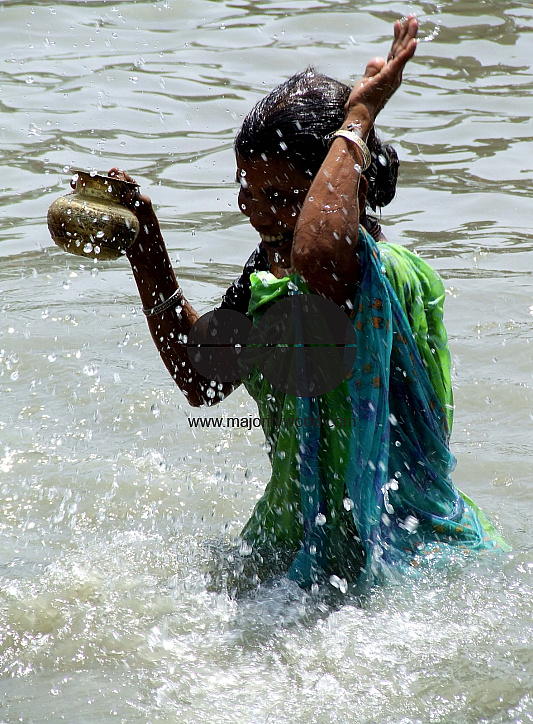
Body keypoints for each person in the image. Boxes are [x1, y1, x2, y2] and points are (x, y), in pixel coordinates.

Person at [110, 16, 509, 595]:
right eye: (248, 188)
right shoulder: (269, 275)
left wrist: (360, 119)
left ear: (345, 184)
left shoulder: (377, 276)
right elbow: (205, 379)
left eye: (279, 195)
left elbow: (320, 253)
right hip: (294, 545)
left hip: (400, 551)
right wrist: (145, 245)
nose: (255, 210)